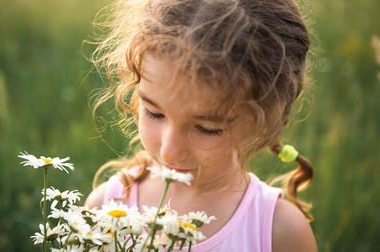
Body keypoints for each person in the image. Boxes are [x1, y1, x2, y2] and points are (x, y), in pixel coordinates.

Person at [86, 0, 317, 251]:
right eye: (154, 113)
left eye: (206, 128)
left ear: (269, 116)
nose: (169, 151)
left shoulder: (278, 232)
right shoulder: (107, 209)